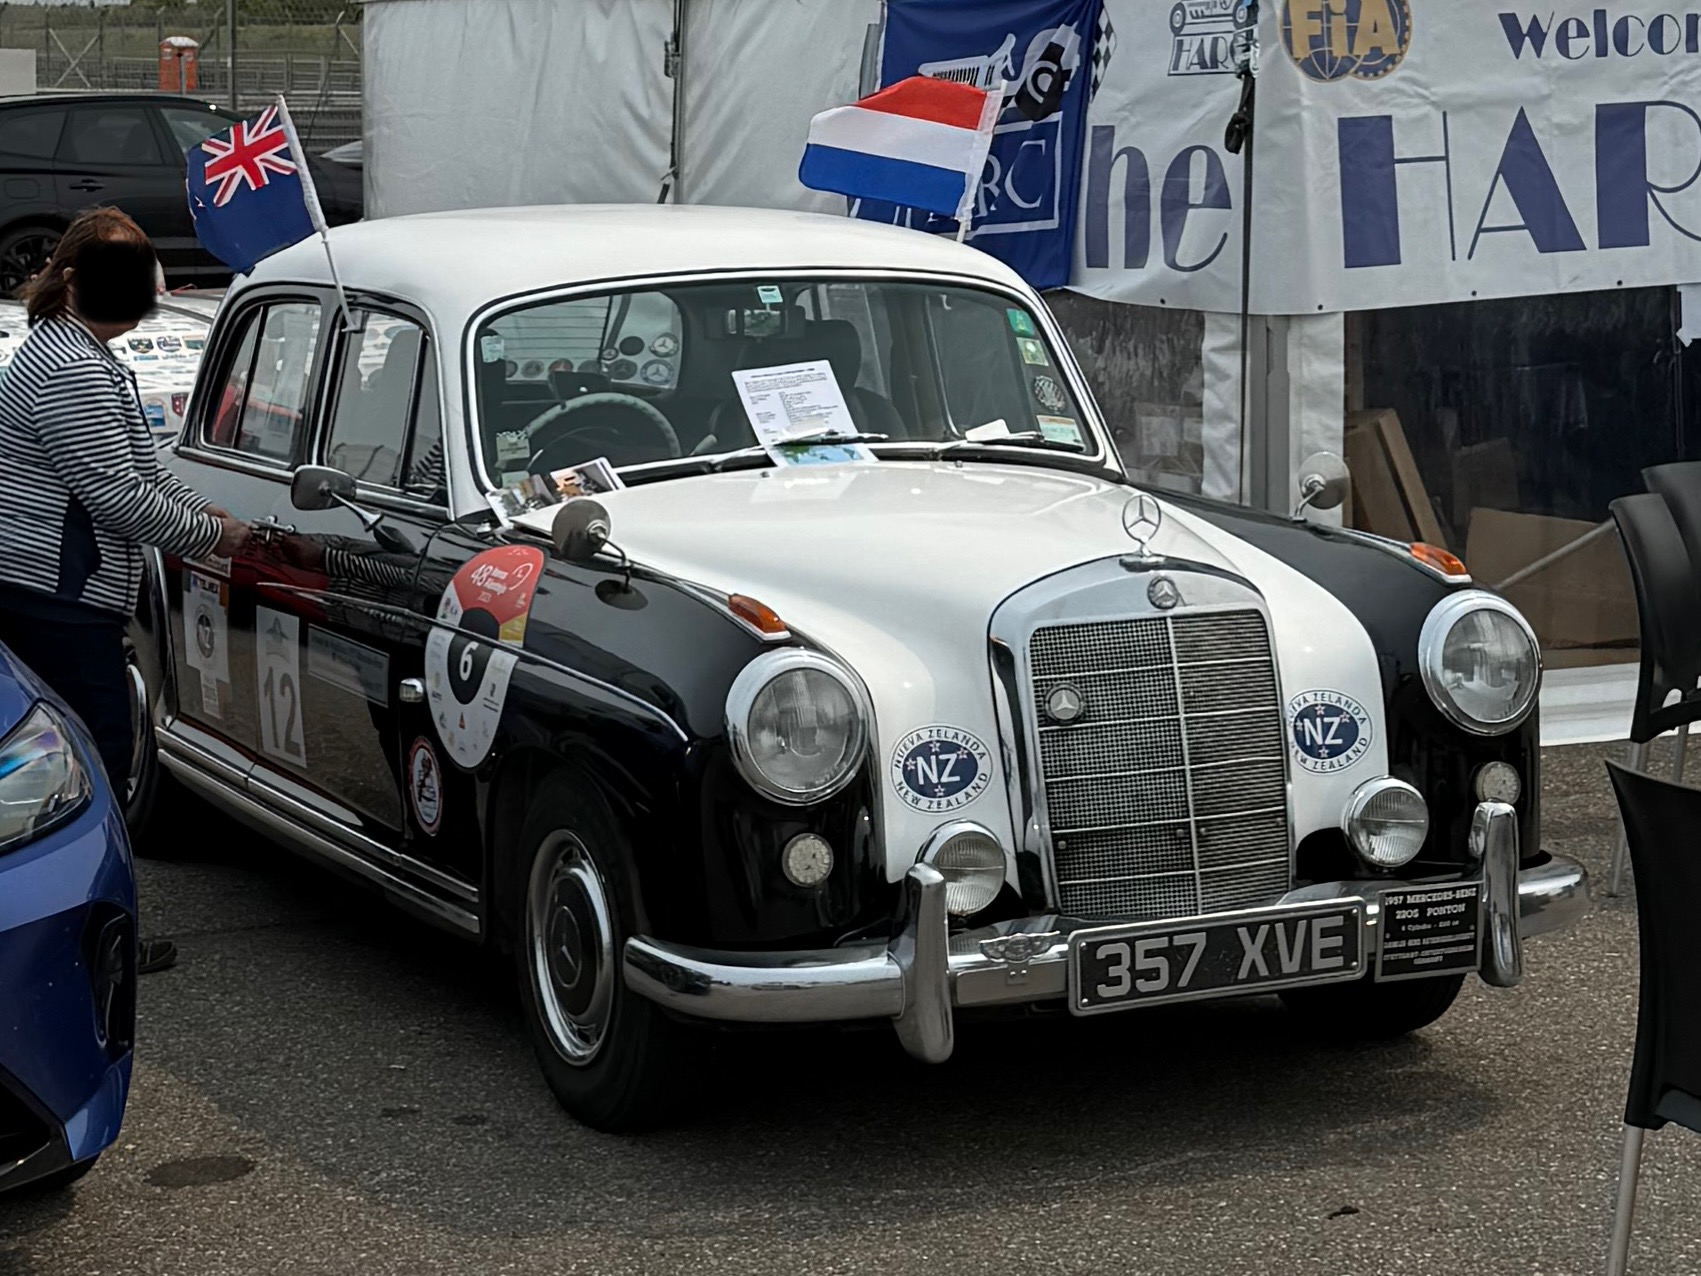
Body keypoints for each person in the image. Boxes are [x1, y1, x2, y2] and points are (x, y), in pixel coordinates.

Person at [0, 208, 249, 973]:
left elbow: (134, 468)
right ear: (75, 280)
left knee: (66, 765)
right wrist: (214, 537)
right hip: (58, 598)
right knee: (91, 770)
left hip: (50, 591)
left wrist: (193, 504)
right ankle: (89, 946)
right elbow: (113, 497)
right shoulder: (72, 368)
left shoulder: (76, 350)